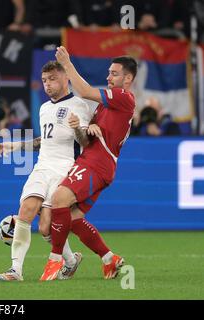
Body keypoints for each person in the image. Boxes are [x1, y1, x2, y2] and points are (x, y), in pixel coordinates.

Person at [39, 47, 137, 281]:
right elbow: (98, 131)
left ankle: (55, 261)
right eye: (108, 73)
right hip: (97, 163)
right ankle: (108, 259)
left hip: (97, 162)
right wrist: (89, 129)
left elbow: (82, 90)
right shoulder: (107, 105)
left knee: (58, 199)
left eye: (114, 73)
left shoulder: (123, 97)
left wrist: (67, 63)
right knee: (71, 218)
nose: (108, 77)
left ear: (128, 79)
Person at [0, 61, 93, 281]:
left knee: (46, 227)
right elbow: (44, 141)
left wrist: (76, 128)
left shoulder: (79, 105)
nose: (47, 85)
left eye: (53, 79)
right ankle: (15, 270)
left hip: (66, 168)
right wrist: (14, 146)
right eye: (45, 80)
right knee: (26, 209)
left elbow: (85, 142)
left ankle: (71, 261)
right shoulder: (44, 108)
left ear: (66, 78)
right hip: (42, 166)